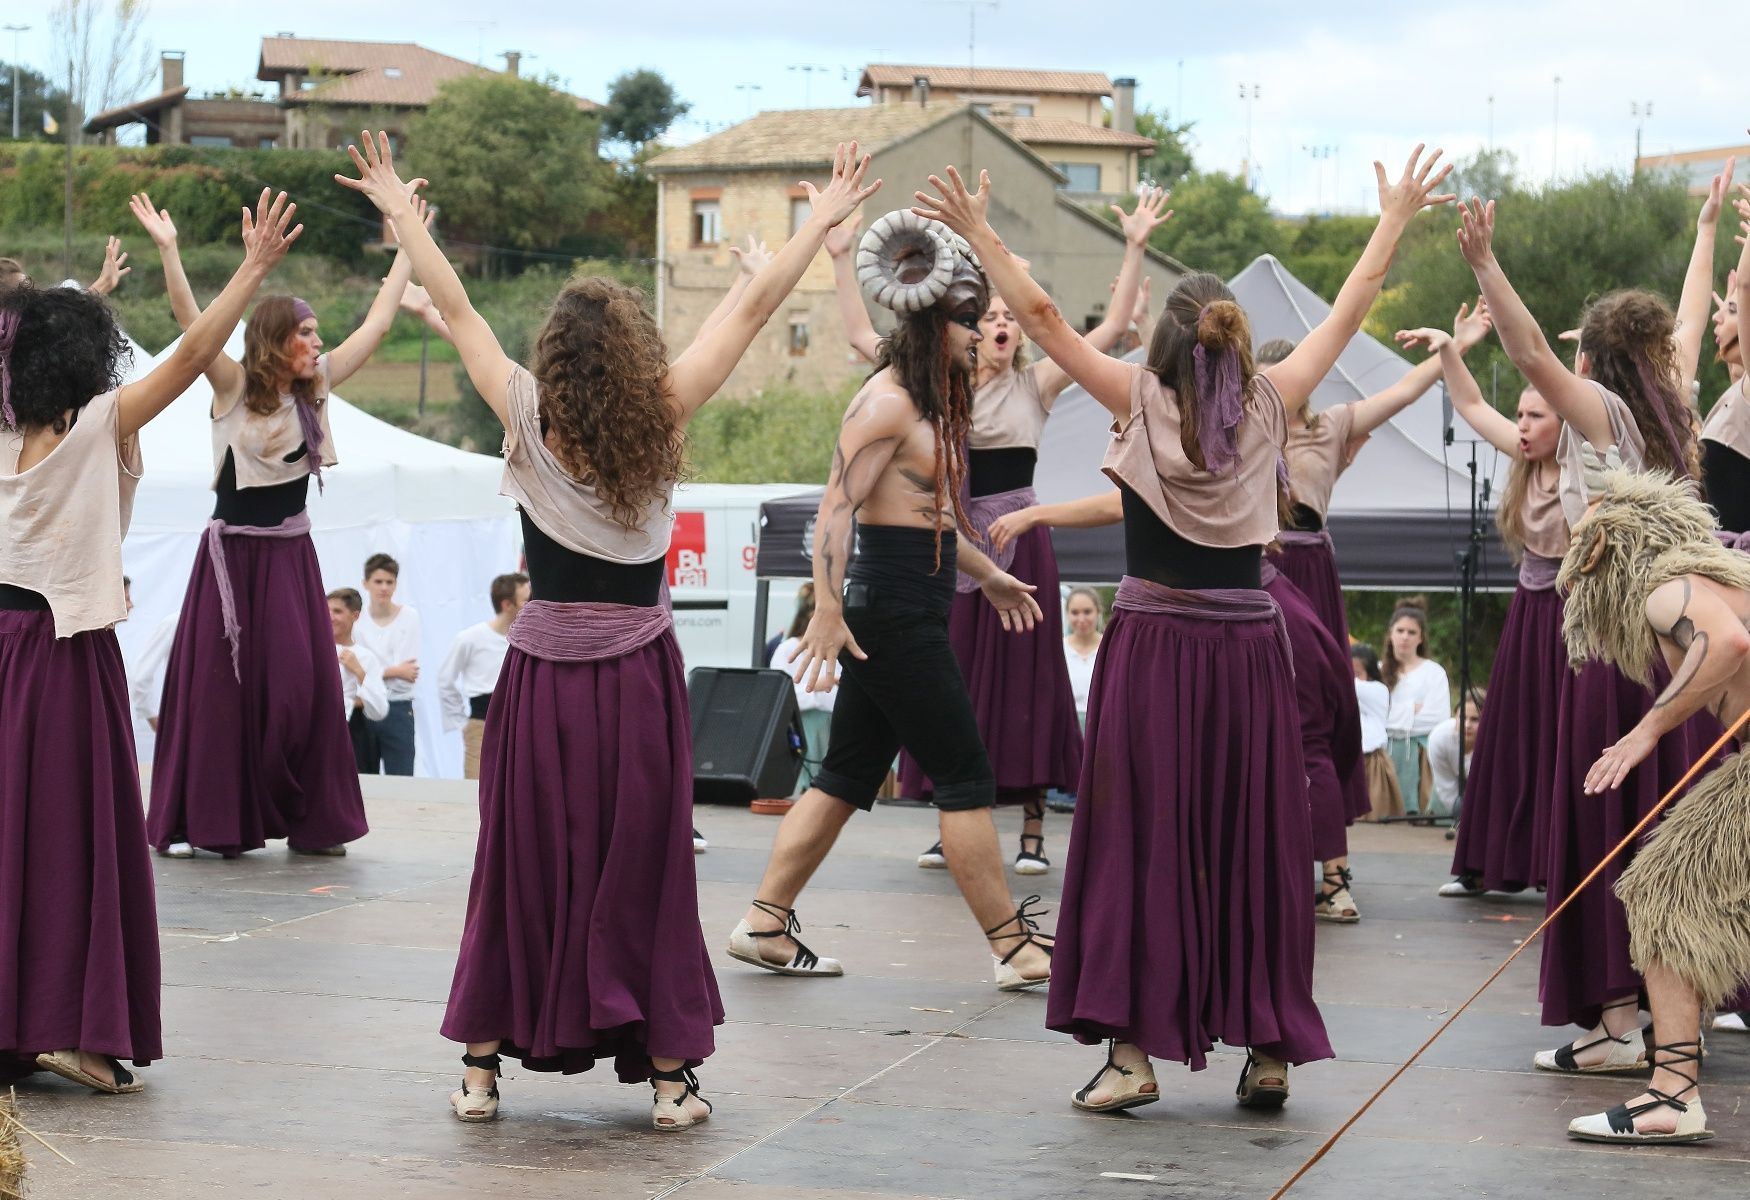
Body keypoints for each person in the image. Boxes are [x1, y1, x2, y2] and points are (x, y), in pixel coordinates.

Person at [339, 129, 880, 1125]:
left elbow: (452, 302)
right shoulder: (666, 410)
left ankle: (479, 1068)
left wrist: (401, 210)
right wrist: (820, 217)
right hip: (634, 675)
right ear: (633, 353)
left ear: (552, 354)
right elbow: (752, 306)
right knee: (642, 867)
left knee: (521, 859)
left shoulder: (521, 412)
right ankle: (671, 1077)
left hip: (540, 678)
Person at [917, 144, 1455, 1110]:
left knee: (1136, 841)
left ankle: (1132, 1059)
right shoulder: (1273, 400)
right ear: (1240, 340)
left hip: (1157, 650)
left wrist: (978, 233)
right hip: (1250, 651)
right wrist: (1393, 218)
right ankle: (1271, 1050)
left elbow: (1041, 316)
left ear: (1161, 347)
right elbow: (1352, 305)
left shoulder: (1137, 396)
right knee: (1256, 842)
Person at [0, 188, 300, 1094]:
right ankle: (69, 1024)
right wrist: (251, 268)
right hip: (58, 651)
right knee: (66, 840)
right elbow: (195, 353)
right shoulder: (99, 425)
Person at [729, 203, 1051, 995]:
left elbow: (935, 519)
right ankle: (1014, 948)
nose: (979, 334)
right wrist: (828, 610)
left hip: (910, 597)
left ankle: (765, 922)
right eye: (968, 321)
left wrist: (990, 574)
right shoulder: (887, 404)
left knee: (844, 776)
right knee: (966, 776)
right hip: (893, 611)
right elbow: (837, 508)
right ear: (934, 325)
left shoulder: (936, 402)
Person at [1456, 192, 1725, 1077]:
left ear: (1600, 357)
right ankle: (1667, 1015)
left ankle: (1614, 1021)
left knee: (1605, 820)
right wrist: (1702, 235)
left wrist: (1489, 266)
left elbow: (1528, 350)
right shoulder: (1678, 401)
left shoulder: (1605, 416)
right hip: (1682, 646)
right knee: (1666, 825)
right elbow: (1688, 316)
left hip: (1614, 649)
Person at [827, 190, 1169, 877]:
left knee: (1028, 684)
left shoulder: (1034, 386)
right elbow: (865, 337)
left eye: (1011, 317)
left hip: (1016, 537)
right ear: (969, 326)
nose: (1002, 324)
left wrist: (1133, 248)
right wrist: (841, 257)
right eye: (990, 316)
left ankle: (1034, 824)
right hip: (946, 536)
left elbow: (1099, 337)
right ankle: (953, 816)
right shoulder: (934, 385)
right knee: (954, 679)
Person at [132, 187, 408, 860]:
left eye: (317, 333)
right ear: (275, 342)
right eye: (306, 333)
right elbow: (189, 321)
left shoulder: (319, 387)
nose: (318, 342)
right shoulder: (231, 385)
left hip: (289, 557)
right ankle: (219, 822)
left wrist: (407, 250)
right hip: (231, 560)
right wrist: (170, 251)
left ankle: (311, 820)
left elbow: (376, 325)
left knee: (298, 687)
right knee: (223, 694)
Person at [1554, 455, 1750, 1144]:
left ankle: (1671, 1095)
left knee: (1663, 891)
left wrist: (1644, 732)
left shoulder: (1663, 588)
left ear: (1605, 547)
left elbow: (1726, 642)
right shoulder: (1702, 576)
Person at [1404, 319, 1569, 895]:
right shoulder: (1524, 461)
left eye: (1536, 416)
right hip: (1529, 613)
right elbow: (1471, 403)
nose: (1522, 426)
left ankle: (1555, 867)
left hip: (1574, 619)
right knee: (1508, 735)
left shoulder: (1586, 468)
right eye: (1520, 415)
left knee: (1558, 741)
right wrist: (1450, 349)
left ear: (1565, 419)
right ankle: (1482, 865)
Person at [1259, 298, 1494, 651]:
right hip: (1258, 562)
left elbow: (1404, 392)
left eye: (1281, 379)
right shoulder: (1246, 430)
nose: (1274, 390)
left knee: (1313, 671)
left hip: (1309, 564)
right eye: (1264, 381)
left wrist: (1456, 345)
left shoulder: (1331, 425)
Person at [437, 572, 529, 780]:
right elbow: (446, 680)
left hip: (519, 725)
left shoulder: (527, 642)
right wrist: (461, 721)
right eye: (526, 601)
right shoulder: (470, 639)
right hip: (481, 723)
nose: (532, 605)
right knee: (476, 786)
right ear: (507, 604)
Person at [352, 552, 422, 776]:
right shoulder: (357, 621)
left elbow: (408, 674)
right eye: (378, 581)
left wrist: (370, 673)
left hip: (398, 707)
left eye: (389, 582)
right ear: (366, 583)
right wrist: (393, 671)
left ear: (395, 584)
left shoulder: (409, 616)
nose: (383, 587)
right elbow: (354, 671)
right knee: (363, 780)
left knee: (402, 780)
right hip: (364, 708)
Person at [1381, 598, 1449, 816]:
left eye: (1411, 632)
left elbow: (1437, 717)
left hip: (1420, 757)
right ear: (1391, 633)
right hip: (1383, 756)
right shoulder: (1377, 670)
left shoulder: (1434, 672)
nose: (1404, 637)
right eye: (1400, 630)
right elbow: (1368, 716)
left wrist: (1392, 713)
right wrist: (1412, 709)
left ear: (1420, 637)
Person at [770, 583, 835, 797]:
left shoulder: (837, 649)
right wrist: (815, 688)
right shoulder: (788, 649)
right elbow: (777, 695)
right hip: (802, 725)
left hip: (832, 724)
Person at [1351, 644, 1402, 820]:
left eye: (1357, 673)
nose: (1353, 678)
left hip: (1371, 761)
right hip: (1350, 760)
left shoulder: (1377, 690)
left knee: (1372, 815)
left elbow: (1343, 683)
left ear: (1371, 672)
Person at [328, 587, 390, 724]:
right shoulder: (311, 650)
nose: (329, 617)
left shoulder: (365, 657)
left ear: (355, 616)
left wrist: (359, 671)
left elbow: (379, 710)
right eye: (326, 610)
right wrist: (354, 702)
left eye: (337, 611)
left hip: (350, 732)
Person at [1427, 687, 1483, 821]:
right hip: (1450, 793)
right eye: (1463, 717)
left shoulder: (1499, 742)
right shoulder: (1439, 738)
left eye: (1475, 719)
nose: (1467, 725)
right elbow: (1445, 786)